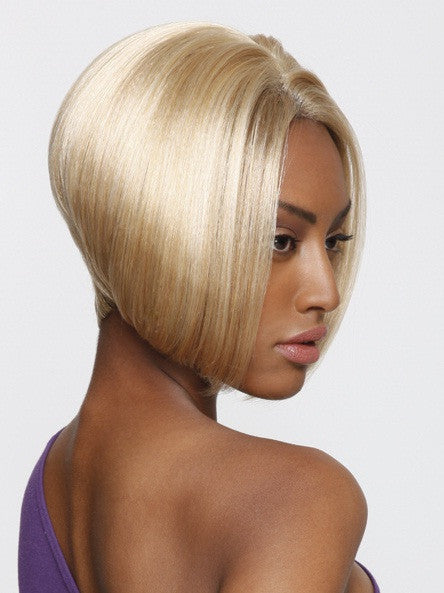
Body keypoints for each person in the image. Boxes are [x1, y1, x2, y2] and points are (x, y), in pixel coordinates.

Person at [18, 21, 380, 593]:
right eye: (280, 240)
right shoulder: (295, 499)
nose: (326, 293)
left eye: (335, 242)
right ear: (165, 234)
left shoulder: (55, 487)